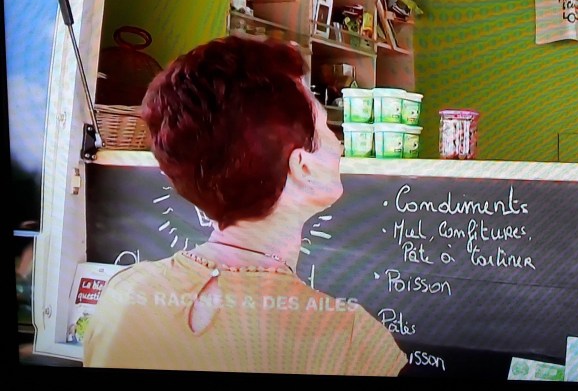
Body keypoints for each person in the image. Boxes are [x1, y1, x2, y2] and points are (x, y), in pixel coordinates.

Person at [83, 37, 408, 376]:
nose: (338, 145)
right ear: (303, 166)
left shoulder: (122, 295)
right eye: (326, 127)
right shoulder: (352, 343)